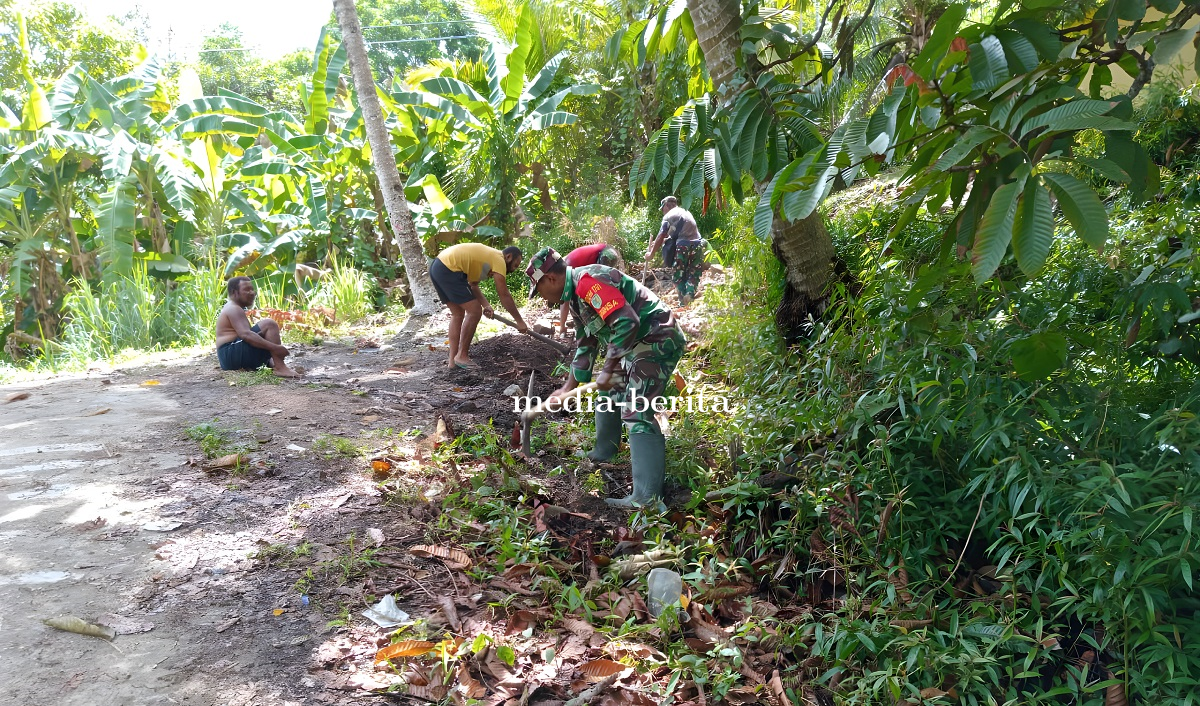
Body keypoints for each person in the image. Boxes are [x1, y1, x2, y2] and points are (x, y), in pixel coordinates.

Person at [526, 247, 685, 508]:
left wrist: (610, 367)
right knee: (608, 391)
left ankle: (647, 499)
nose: (542, 298)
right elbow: (586, 341)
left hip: (656, 338)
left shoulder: (587, 283)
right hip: (636, 343)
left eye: (539, 290)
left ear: (550, 279)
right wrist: (568, 387)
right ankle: (605, 450)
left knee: (636, 411)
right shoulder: (575, 294)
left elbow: (626, 322)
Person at [430, 242, 529, 369]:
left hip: (438, 267)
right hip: (449, 268)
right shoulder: (499, 258)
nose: (514, 269)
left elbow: (473, 286)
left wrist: (486, 305)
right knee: (475, 311)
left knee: (458, 314)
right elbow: (504, 295)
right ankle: (462, 356)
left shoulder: (486, 260)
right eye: (515, 265)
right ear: (508, 257)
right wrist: (520, 321)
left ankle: (453, 362)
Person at [216, 276, 299, 378]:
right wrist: (276, 348)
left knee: (261, 337)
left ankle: (274, 364)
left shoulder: (234, 307)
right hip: (229, 354)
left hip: (230, 357)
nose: (252, 293)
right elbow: (245, 334)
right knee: (269, 324)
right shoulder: (233, 308)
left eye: (252, 289)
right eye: (246, 290)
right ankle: (280, 367)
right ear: (234, 292)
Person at [646, 195, 707, 306]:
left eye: (663, 208)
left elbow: (661, 234)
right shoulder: (685, 211)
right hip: (698, 244)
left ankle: (683, 302)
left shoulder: (669, 215)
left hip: (683, 246)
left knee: (678, 274)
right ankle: (690, 294)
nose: (662, 211)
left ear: (667, 206)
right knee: (694, 271)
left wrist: (651, 254)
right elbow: (676, 233)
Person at [555, 243, 625, 337]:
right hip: (608, 251)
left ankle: (611, 318)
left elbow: (565, 302)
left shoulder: (563, 271)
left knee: (600, 287)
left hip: (606, 253)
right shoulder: (562, 267)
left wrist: (562, 327)